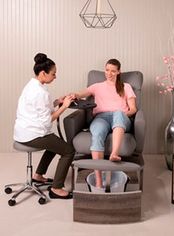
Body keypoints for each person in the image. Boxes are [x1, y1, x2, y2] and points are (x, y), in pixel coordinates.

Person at [14, 53, 75, 199]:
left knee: (55, 143)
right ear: (43, 73)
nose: (55, 77)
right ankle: (56, 188)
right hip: (32, 135)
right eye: (53, 74)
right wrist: (65, 106)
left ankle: (38, 175)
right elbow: (47, 120)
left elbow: (40, 108)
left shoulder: (33, 85)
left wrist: (57, 101)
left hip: (23, 131)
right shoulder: (39, 92)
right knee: (68, 151)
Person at [73, 58, 137, 187]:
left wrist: (121, 114)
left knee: (118, 113)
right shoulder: (97, 86)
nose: (109, 73)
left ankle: (114, 153)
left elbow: (133, 109)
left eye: (113, 71)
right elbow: (79, 94)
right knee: (97, 133)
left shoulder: (126, 86)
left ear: (119, 72)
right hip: (101, 117)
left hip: (121, 118)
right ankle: (98, 182)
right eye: (107, 70)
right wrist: (70, 96)